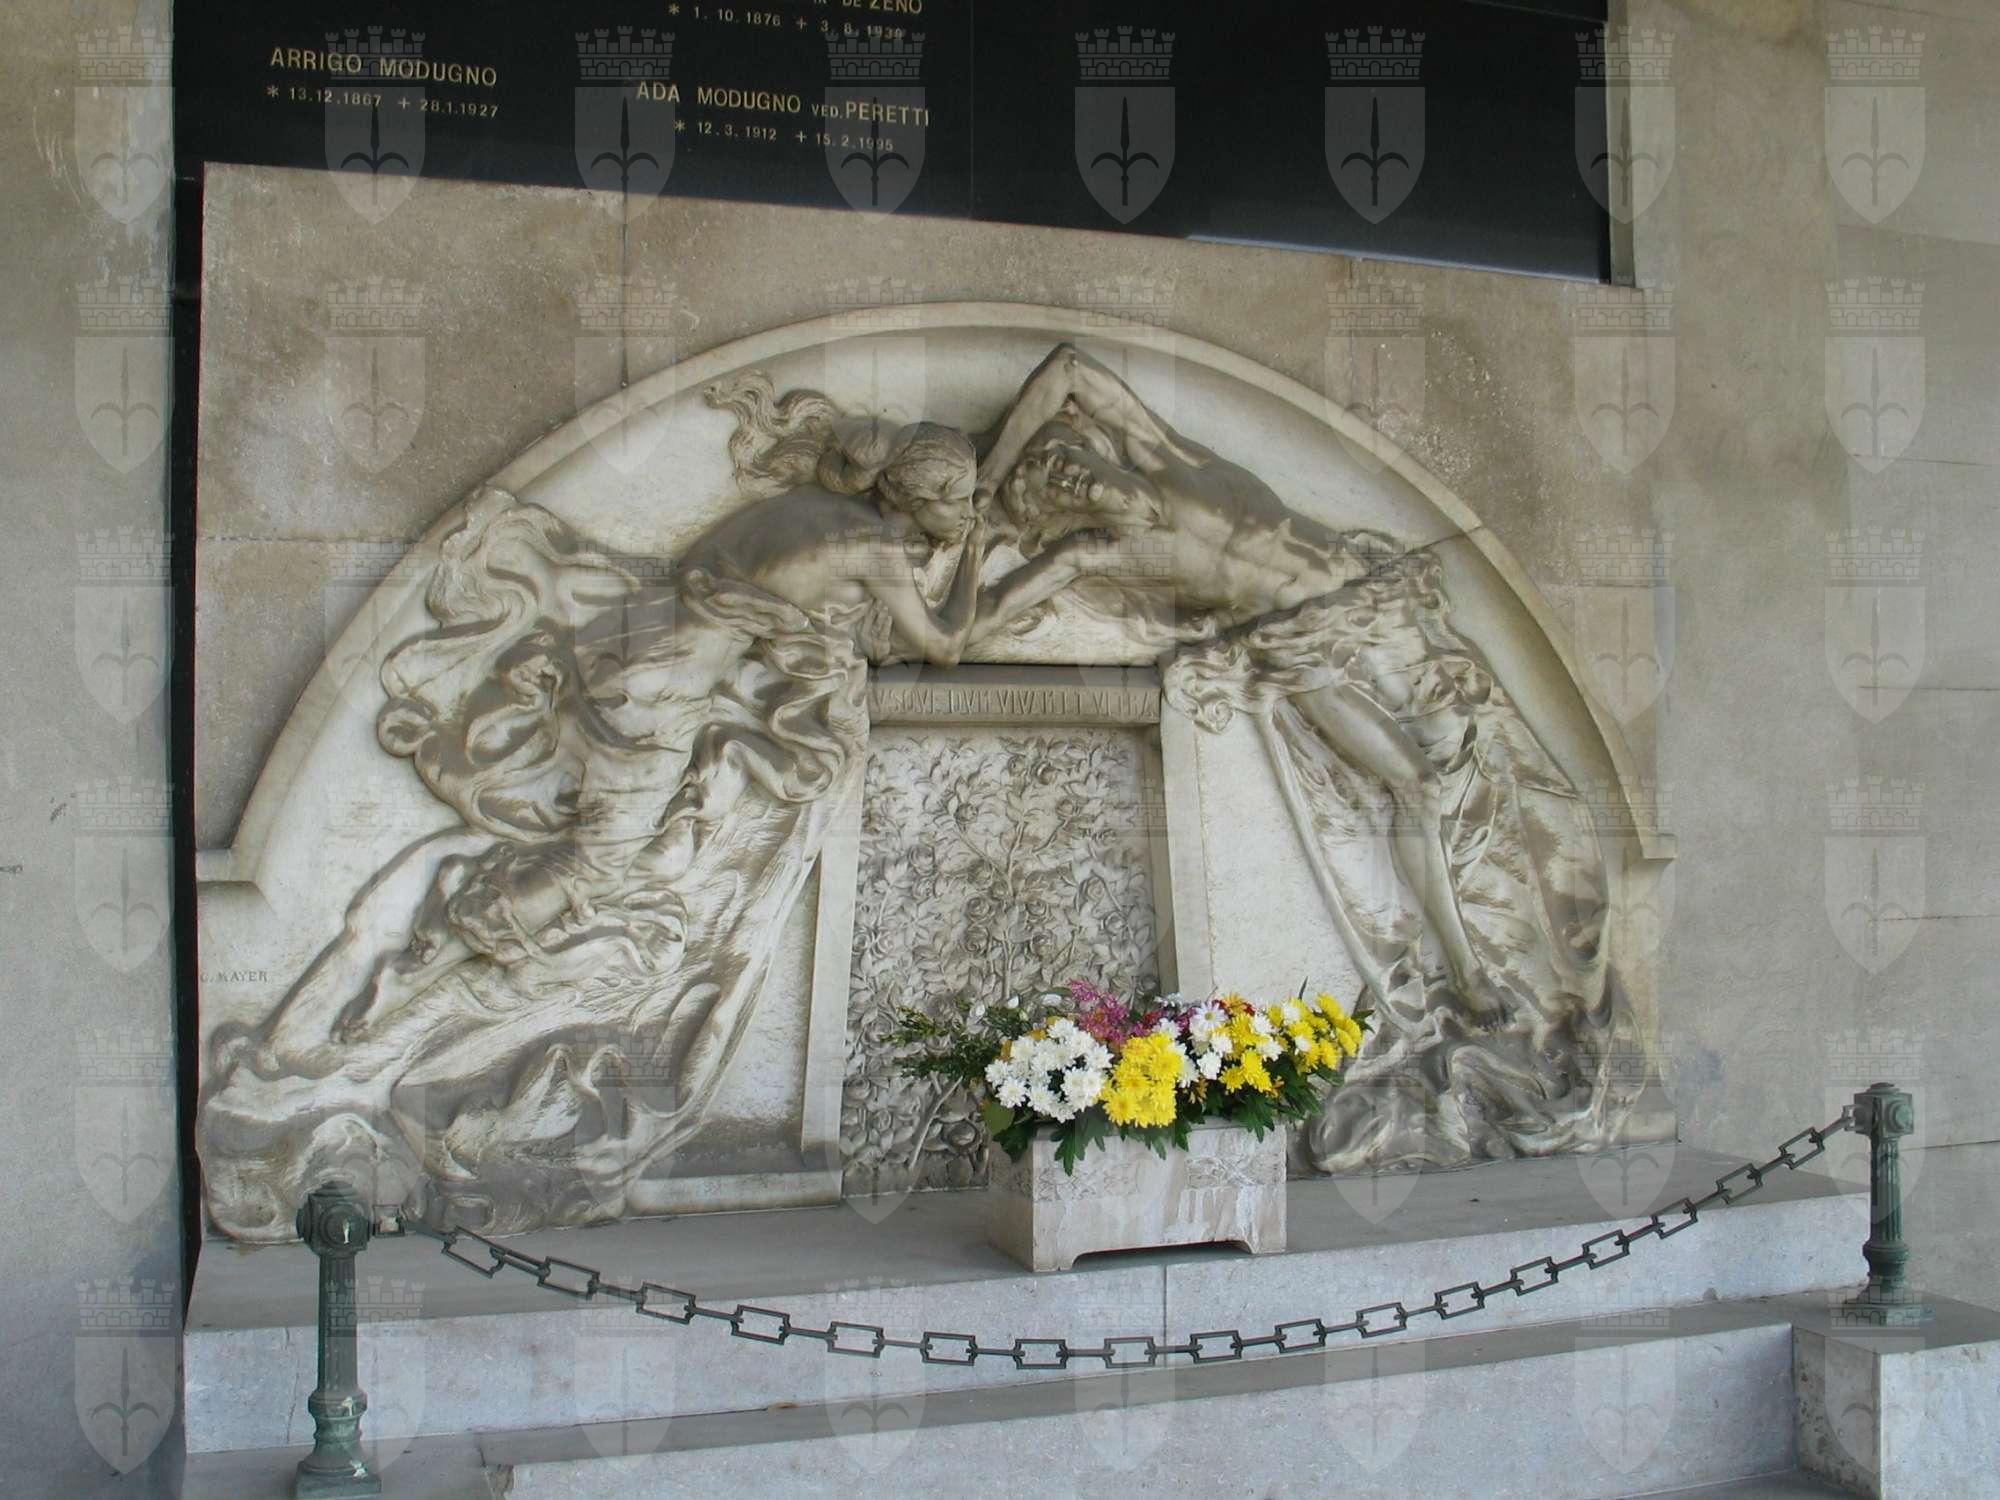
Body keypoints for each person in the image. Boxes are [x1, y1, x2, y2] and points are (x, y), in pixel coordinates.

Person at [970, 344, 1546, 1027]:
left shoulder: (1169, 457)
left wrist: (991, 475)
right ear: (1056, 520)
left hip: (1369, 601)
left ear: (1084, 440)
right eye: (1050, 490)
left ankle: (1515, 925)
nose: (1061, 475)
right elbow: (983, 617)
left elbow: (1068, 366)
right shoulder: (1095, 553)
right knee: (1417, 785)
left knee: (1476, 745)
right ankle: (1466, 970)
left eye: (1056, 457)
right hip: (1304, 655)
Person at [693, 375, 989, 666]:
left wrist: (864, 642)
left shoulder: (822, 500)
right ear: (915, 498)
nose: (971, 512)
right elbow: (946, 649)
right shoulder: (878, 547)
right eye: (957, 500)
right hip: (700, 649)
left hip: (694, 608)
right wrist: (973, 553)